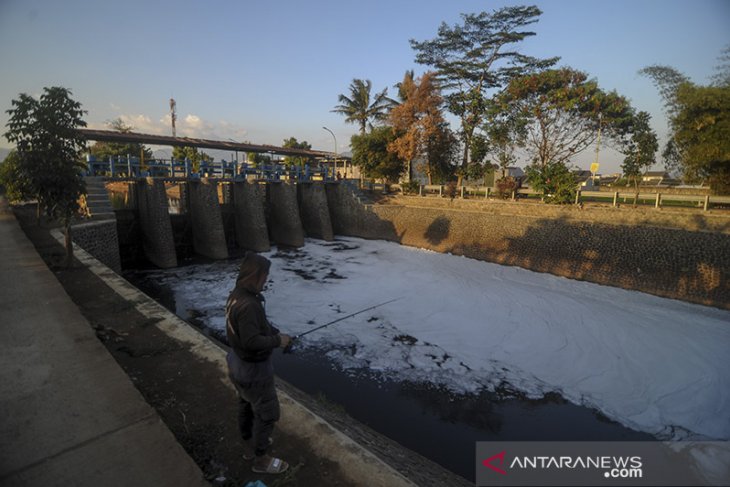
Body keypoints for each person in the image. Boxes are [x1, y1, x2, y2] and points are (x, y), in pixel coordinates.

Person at [225, 251, 292, 474]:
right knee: (268, 413)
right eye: (265, 276)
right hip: (253, 371)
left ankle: (248, 446)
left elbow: (256, 326)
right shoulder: (249, 305)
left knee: (245, 405)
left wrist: (275, 332)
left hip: (237, 364)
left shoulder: (237, 294)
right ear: (255, 275)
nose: (266, 281)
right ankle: (261, 460)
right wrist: (277, 341)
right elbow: (252, 340)